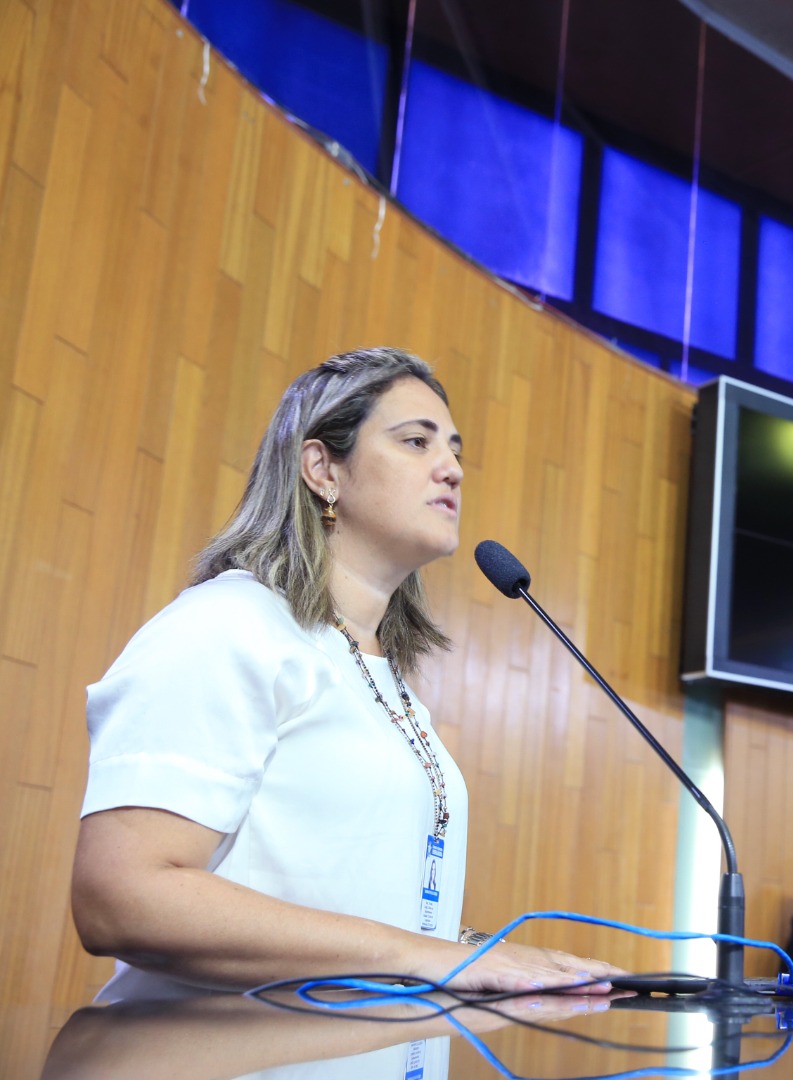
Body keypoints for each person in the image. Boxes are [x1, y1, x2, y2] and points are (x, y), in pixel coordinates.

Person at [70, 348, 621, 1001]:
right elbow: (119, 896)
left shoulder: (378, 671)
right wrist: (423, 957)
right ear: (322, 469)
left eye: (454, 450)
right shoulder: (228, 625)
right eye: (416, 441)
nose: (451, 468)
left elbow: (342, 896)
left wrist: (479, 953)